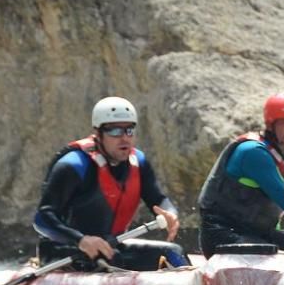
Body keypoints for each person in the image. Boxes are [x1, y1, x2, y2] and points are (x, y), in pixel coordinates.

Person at [34, 96, 190, 271]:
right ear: (98, 133)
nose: (124, 138)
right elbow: (42, 219)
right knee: (111, 258)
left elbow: (158, 200)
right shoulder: (74, 165)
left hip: (111, 245)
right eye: (115, 131)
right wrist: (81, 240)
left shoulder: (139, 163)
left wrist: (170, 213)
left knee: (174, 253)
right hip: (64, 250)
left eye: (129, 130)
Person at [197, 93, 284, 257]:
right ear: (271, 124)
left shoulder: (282, 154)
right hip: (223, 236)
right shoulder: (253, 152)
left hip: (255, 233)